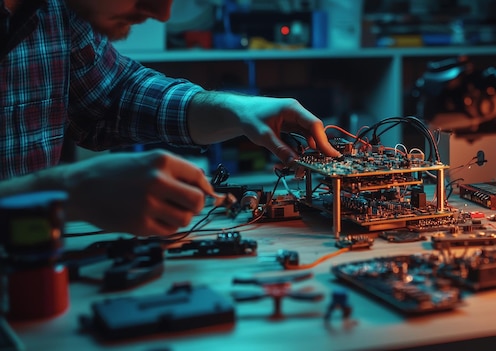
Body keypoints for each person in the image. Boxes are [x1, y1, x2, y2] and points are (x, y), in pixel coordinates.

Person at [0, 0, 341, 237]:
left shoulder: (60, 10)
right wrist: (68, 192)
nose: (162, 13)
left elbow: (112, 95)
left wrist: (238, 110)